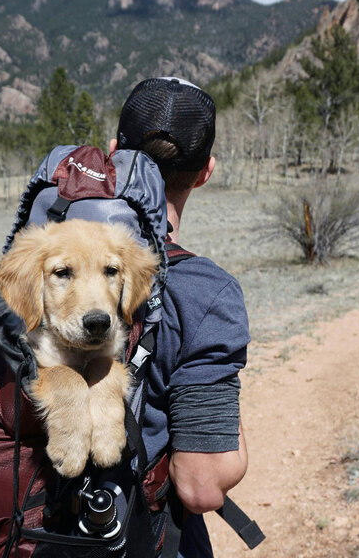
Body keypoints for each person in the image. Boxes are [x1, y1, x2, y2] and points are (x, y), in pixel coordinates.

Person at [110, 77, 250, 556]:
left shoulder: (43, 254)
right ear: (206, 171)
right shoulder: (205, 293)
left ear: (113, 152)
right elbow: (200, 486)